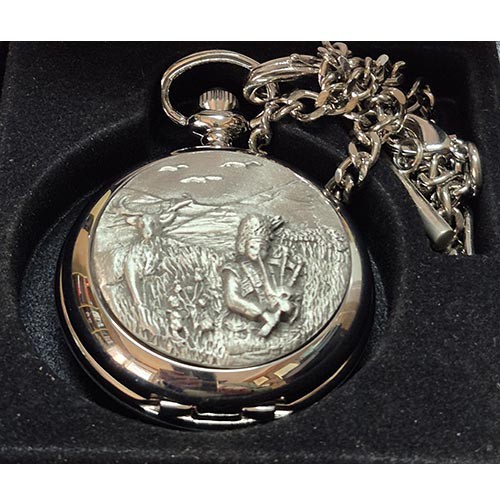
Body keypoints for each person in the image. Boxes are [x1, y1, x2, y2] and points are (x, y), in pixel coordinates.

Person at [221, 214, 296, 338]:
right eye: (252, 247)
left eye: (262, 248)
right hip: (240, 325)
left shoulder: (270, 270)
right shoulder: (233, 269)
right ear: (243, 246)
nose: (258, 252)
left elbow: (275, 295)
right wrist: (263, 314)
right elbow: (232, 300)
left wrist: (284, 304)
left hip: (271, 322)